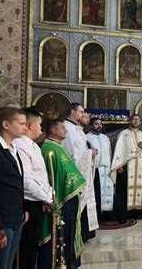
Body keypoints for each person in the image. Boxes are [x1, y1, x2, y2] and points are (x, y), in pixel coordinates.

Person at [37, 119, 86, 269]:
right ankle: (65, 262)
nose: (65, 130)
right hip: (63, 198)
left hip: (68, 196)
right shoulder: (50, 149)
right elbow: (62, 174)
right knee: (63, 233)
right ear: (53, 130)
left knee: (67, 232)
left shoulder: (57, 147)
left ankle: (69, 260)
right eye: (62, 128)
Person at [14, 108, 53, 269]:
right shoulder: (20, 145)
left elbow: (41, 176)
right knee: (26, 247)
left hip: (38, 201)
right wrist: (46, 197)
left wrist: (47, 194)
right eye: (40, 125)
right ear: (31, 126)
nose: (42, 129)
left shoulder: (34, 146)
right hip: (28, 203)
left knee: (32, 247)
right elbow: (27, 180)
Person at [0, 106, 27, 269]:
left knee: (8, 265)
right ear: (6, 124)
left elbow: (15, 185)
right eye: (21, 123)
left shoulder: (14, 149)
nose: (24, 127)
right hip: (2, 222)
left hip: (16, 218)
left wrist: (23, 210)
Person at [62, 103, 98, 241]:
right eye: (81, 112)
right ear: (72, 111)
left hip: (85, 172)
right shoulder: (67, 128)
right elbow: (72, 155)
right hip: (76, 176)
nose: (83, 115)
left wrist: (90, 153)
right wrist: (90, 153)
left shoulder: (76, 128)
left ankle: (82, 235)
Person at [110, 114, 142, 223]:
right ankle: (124, 213)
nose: (135, 121)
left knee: (139, 188)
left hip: (140, 167)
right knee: (124, 189)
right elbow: (118, 151)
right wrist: (118, 165)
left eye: (138, 120)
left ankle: (136, 212)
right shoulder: (123, 134)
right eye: (134, 119)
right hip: (126, 167)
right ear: (130, 121)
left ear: (140, 122)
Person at [86, 118, 113, 222]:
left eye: (100, 124)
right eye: (96, 124)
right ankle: (98, 216)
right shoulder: (87, 137)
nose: (99, 126)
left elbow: (109, 152)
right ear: (91, 125)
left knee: (109, 192)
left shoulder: (105, 138)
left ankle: (107, 215)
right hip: (96, 169)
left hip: (107, 169)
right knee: (97, 192)